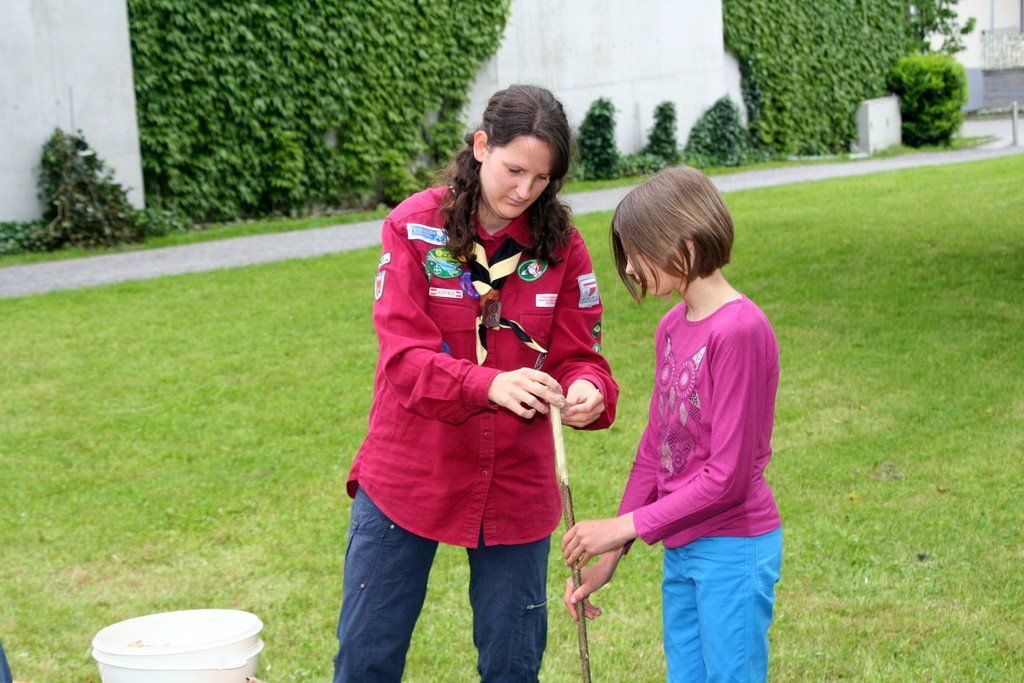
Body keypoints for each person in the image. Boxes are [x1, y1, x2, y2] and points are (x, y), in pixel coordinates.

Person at [333, 84, 618, 682]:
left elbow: (579, 355)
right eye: (514, 170)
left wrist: (588, 388)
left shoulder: (562, 248)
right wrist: (486, 385)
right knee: (367, 658)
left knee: (513, 664)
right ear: (482, 145)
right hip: (412, 470)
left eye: (542, 180)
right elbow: (404, 359)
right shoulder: (413, 228)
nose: (524, 191)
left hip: (514, 482)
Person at [560, 166, 782, 682]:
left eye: (637, 251)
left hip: (732, 547)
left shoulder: (740, 331)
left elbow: (728, 479)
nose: (630, 267)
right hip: (682, 545)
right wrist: (612, 553)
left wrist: (624, 527)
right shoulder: (671, 326)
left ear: (684, 240)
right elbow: (655, 447)